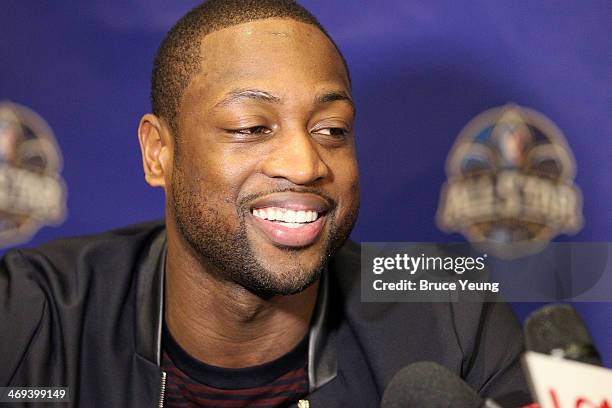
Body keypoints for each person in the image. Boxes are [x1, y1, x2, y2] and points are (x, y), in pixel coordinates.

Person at [0, 0, 531, 406]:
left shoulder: (452, 318)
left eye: (332, 129)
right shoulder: (32, 316)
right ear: (159, 152)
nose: (305, 165)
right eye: (251, 127)